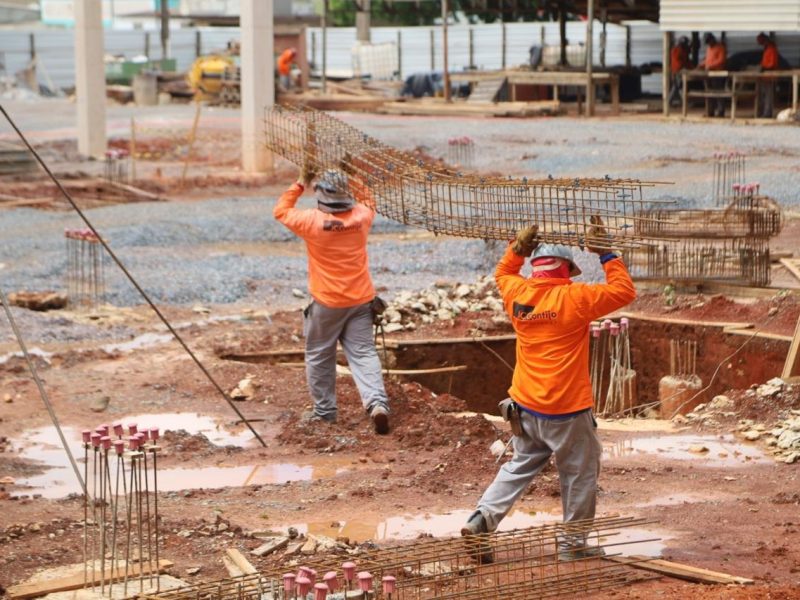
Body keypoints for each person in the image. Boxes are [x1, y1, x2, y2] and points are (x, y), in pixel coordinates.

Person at [461, 220, 636, 561]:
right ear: (566, 270)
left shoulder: (517, 292)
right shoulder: (575, 297)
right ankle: (573, 545)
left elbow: (502, 272)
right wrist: (606, 253)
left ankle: (481, 520)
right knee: (579, 474)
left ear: (535, 267)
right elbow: (624, 291)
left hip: (525, 405)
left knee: (519, 466)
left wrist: (515, 250)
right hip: (567, 410)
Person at [273, 165, 390, 434]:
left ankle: (325, 413)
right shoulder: (361, 217)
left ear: (322, 197)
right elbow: (369, 199)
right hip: (361, 299)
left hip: (327, 303)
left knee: (319, 354)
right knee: (363, 353)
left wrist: (300, 183)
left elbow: (280, 210)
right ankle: (377, 404)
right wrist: (354, 175)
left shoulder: (312, 222)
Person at [698, 33, 727, 117]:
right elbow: (708, 60)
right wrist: (702, 65)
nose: (709, 44)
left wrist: (711, 66)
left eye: (709, 42)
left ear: (712, 39)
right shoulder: (709, 48)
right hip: (709, 74)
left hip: (718, 74)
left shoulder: (720, 47)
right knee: (709, 93)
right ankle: (710, 111)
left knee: (718, 92)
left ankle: (721, 112)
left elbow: (721, 60)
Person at [757, 33, 779, 118]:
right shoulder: (767, 49)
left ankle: (767, 113)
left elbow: (772, 63)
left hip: (770, 75)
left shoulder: (771, 49)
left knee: (768, 95)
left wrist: (764, 67)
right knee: (764, 95)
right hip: (765, 76)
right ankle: (763, 112)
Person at [668, 36, 693, 107]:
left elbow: (687, 62)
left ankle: (668, 102)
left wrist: (692, 68)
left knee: (676, 87)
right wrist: (685, 68)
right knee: (679, 87)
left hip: (678, 71)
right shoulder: (677, 50)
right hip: (677, 71)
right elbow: (680, 63)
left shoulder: (682, 50)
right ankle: (685, 103)